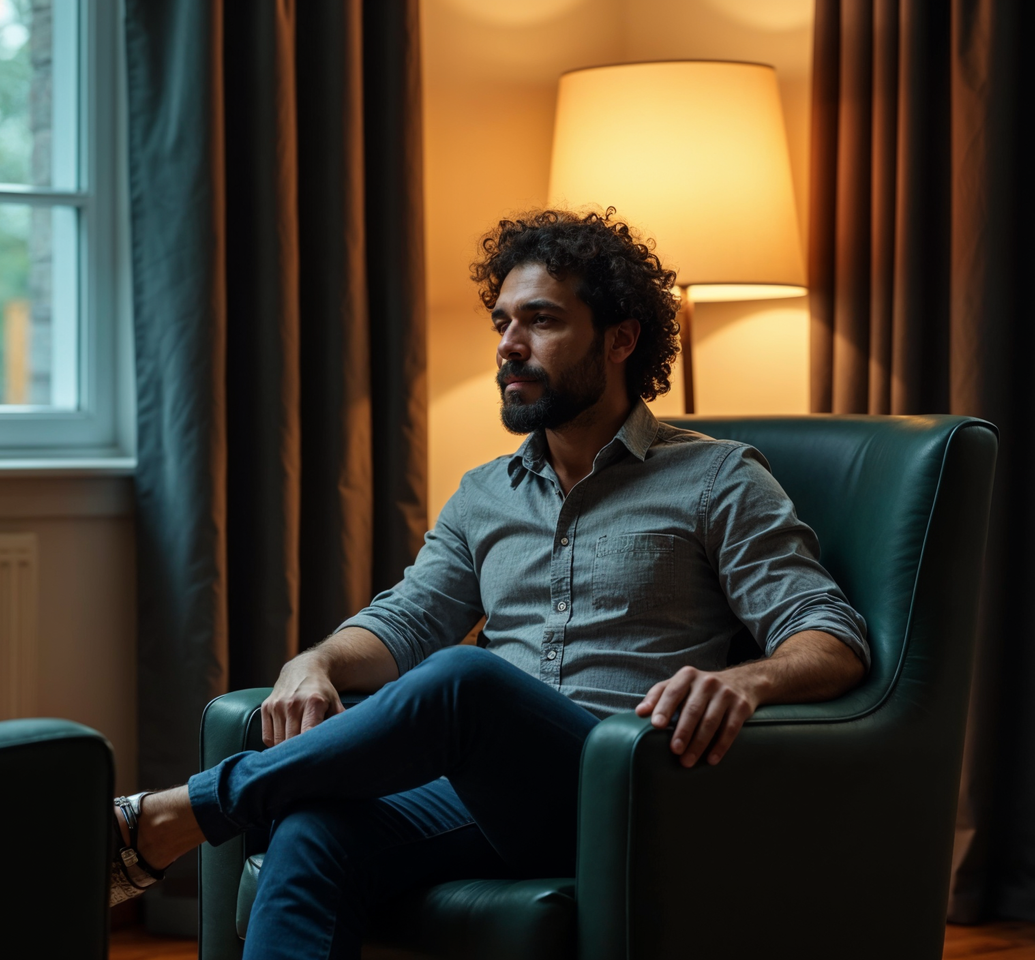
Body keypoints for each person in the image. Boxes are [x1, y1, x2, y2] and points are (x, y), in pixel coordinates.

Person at [108, 209, 871, 959]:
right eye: (502, 321)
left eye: (539, 320)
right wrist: (317, 662)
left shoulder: (716, 478)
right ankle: (184, 818)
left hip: (628, 790)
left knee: (466, 679)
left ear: (621, 339)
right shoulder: (486, 493)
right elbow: (407, 619)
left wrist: (747, 682)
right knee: (315, 828)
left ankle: (181, 813)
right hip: (491, 798)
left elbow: (830, 638)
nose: (509, 345)